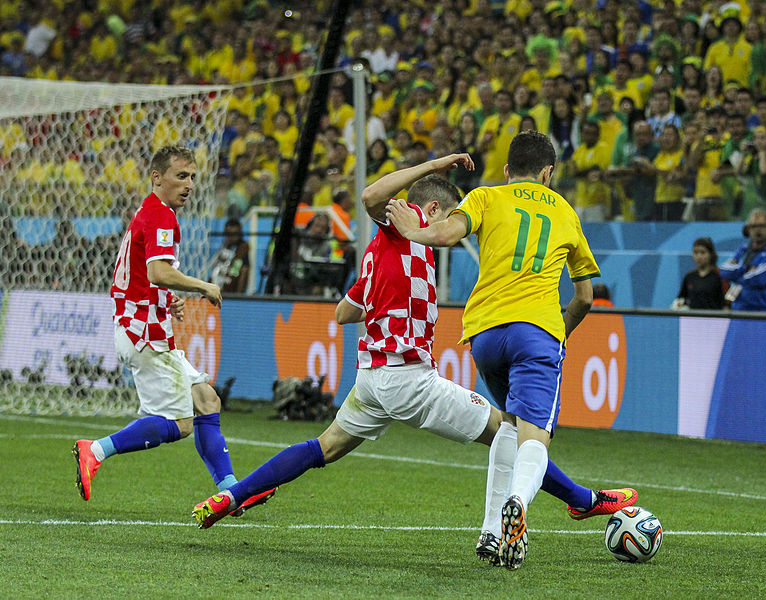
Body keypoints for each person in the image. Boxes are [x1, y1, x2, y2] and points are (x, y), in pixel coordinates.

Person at [191, 153, 637, 564]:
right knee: (512, 430)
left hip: (373, 380)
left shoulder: (383, 253)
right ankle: (581, 500)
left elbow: (344, 312)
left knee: (323, 447)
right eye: (451, 216)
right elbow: (371, 196)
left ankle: (231, 497)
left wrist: (382, 296)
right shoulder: (401, 231)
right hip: (408, 379)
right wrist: (437, 163)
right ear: (435, 211)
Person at [385, 131, 618, 570]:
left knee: (509, 425)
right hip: (536, 331)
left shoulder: (487, 197)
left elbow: (448, 234)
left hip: (486, 333)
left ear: (509, 170)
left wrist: (412, 229)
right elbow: (585, 297)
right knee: (535, 437)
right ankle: (517, 503)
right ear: (548, 173)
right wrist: (557, 335)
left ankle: (491, 533)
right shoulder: (567, 213)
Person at [73, 146, 274, 516]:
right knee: (179, 424)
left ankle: (231, 491)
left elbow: (141, 276)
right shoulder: (161, 215)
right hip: (143, 333)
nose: (190, 184)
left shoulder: (150, 213)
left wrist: (165, 300)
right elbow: (158, 272)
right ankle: (96, 450)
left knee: (206, 400)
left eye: (193, 177)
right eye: (181, 176)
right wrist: (203, 286)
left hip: (143, 324)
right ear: (157, 177)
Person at [720, 209, 766, 311]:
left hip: (763, 309)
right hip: (739, 307)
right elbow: (724, 271)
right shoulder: (742, 250)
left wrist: (736, 276)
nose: (758, 230)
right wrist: (747, 268)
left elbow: (760, 278)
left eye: (762, 226)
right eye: (753, 226)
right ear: (747, 230)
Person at [673, 237, 727, 310]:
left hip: (714, 320)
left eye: (703, 252)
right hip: (692, 320)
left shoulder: (720, 277)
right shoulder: (689, 277)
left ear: (711, 254)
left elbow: (726, 305)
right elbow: (681, 300)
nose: (699, 256)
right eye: (695, 252)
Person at [208, 218, 249, 294]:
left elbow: (243, 271)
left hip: (230, 292)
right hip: (217, 288)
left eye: (233, 234)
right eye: (228, 234)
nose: (230, 237)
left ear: (239, 232)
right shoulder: (225, 246)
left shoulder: (242, 248)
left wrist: (239, 295)